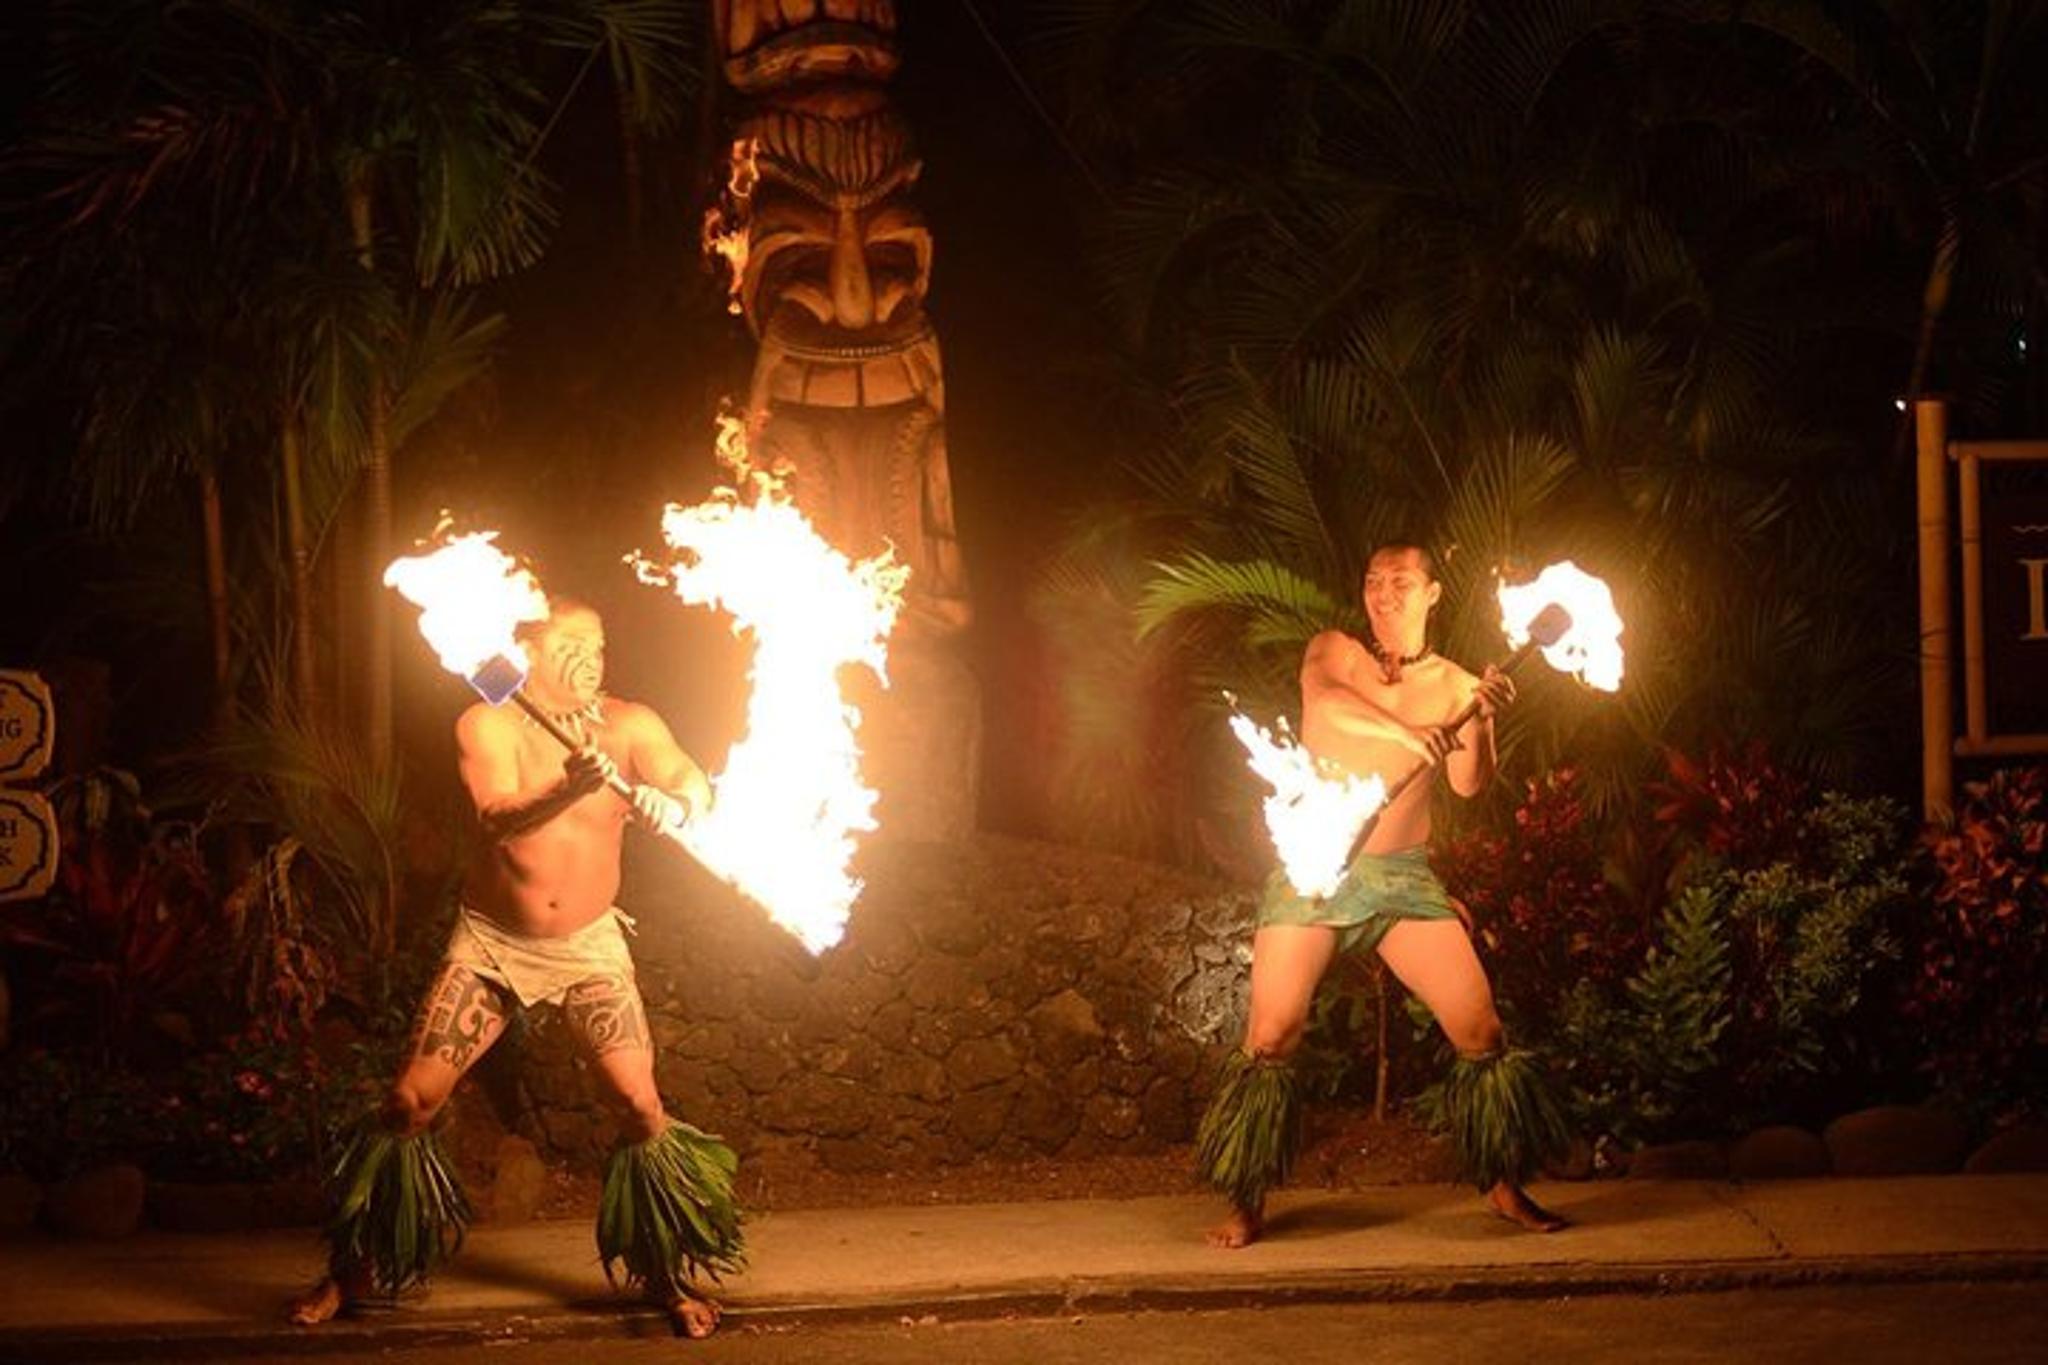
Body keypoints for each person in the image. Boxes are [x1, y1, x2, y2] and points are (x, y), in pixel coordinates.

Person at [290, 597, 741, 1337]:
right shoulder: (486, 721)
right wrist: (570, 784)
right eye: (570, 640)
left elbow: (692, 777)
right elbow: (496, 814)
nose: (592, 652)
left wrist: (676, 803)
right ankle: (351, 1269)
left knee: (641, 1109)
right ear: (524, 648)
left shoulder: (630, 723)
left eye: (597, 639)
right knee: (408, 1103)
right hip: (494, 942)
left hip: (590, 942)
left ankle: (666, 1276)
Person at [1198, 544, 1572, 1248]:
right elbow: (1326, 709)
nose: (1383, 594)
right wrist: (1406, 730)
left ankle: (1501, 1183)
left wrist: (1481, 715)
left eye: (1401, 583)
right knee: (1270, 1036)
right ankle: (1246, 1200)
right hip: (1319, 868)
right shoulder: (1335, 652)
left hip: (1401, 879)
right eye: (1373, 581)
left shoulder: (1459, 684)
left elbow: (1468, 782)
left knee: (1481, 1030)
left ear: (1433, 593)